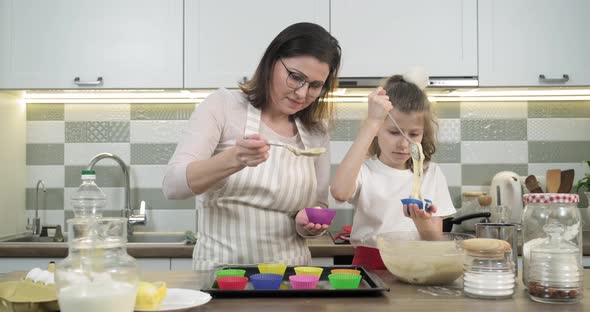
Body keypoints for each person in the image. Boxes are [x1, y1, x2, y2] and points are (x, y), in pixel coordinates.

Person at [162, 22, 341, 271]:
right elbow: (172, 186)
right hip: (222, 278)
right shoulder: (222, 106)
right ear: (271, 62)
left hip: (291, 279)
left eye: (314, 86)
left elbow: (318, 205)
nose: (302, 94)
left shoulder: (316, 132)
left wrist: (305, 224)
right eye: (296, 77)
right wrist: (234, 159)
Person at [330, 70, 456, 269]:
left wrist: (421, 222)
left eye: (414, 134)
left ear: (424, 134)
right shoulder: (365, 171)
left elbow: (434, 240)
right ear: (377, 130)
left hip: (416, 264)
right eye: (394, 132)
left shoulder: (431, 173)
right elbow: (339, 192)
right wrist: (371, 123)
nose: (404, 144)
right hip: (370, 265)